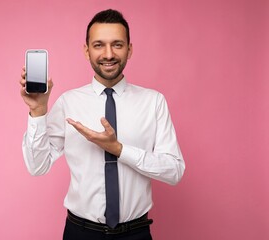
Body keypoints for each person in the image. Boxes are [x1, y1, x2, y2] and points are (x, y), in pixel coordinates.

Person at [19, 9, 185, 240]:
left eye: (117, 44)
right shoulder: (69, 102)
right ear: (87, 51)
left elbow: (174, 171)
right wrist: (38, 112)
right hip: (80, 233)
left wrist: (119, 150)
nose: (108, 54)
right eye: (99, 45)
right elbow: (37, 167)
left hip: (135, 233)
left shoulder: (153, 102)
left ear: (130, 49)